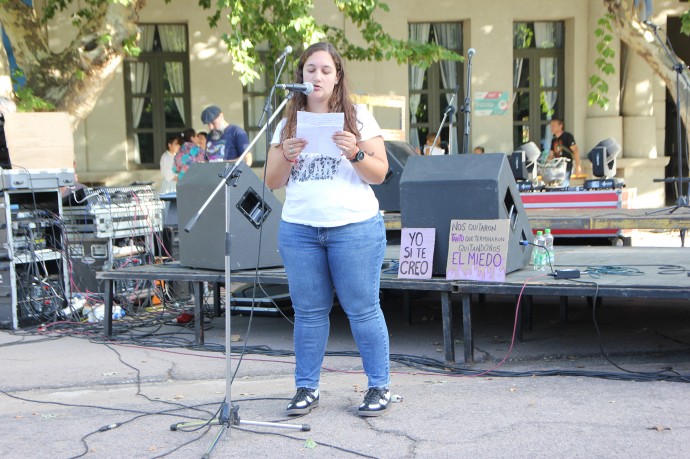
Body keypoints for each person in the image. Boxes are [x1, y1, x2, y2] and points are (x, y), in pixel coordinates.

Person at [264, 42, 391, 418]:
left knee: (363, 309)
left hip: (354, 228)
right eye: (309, 70)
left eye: (324, 70)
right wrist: (286, 154)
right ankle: (306, 388)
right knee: (308, 312)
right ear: (300, 76)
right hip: (301, 229)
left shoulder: (359, 116)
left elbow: (380, 173)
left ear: (337, 78)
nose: (316, 76)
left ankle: (378, 386)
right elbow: (272, 181)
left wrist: (355, 153)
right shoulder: (286, 121)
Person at [547, 118, 581, 184]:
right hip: (556, 167)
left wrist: (578, 166)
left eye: (553, 126)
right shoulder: (554, 140)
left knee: (564, 185)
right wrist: (546, 164)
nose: (551, 128)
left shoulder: (568, 136)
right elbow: (551, 155)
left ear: (560, 126)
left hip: (566, 166)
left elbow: (576, 151)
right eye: (551, 126)